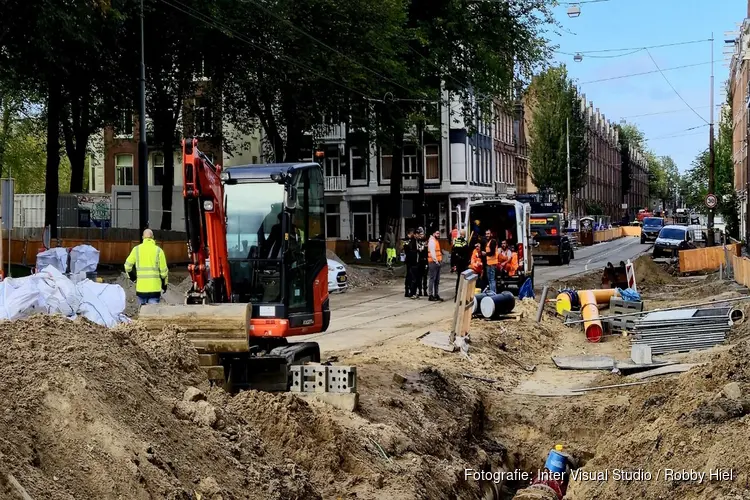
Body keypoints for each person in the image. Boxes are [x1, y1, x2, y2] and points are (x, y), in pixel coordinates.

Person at [125, 228, 169, 306]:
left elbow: (127, 266)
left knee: (141, 313)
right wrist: (164, 285)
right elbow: (163, 273)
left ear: (142, 237)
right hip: (154, 289)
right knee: (152, 314)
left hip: (141, 289)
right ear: (153, 237)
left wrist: (133, 277)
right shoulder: (159, 251)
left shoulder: (136, 250)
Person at [450, 229, 469, 301]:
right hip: (463, 264)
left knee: (458, 279)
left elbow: (453, 254)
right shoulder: (464, 242)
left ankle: (457, 296)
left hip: (458, 263)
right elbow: (467, 254)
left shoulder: (456, 242)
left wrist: (452, 265)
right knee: (464, 280)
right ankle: (462, 296)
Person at [427, 228, 444, 302]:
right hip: (433, 262)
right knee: (432, 279)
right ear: (433, 234)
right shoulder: (432, 241)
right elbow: (433, 252)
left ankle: (436, 294)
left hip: (437, 262)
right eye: (437, 233)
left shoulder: (435, 240)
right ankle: (430, 295)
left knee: (437, 280)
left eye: (439, 233)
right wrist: (436, 261)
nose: (438, 235)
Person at [403, 228, 418, 298]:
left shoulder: (413, 240)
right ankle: (407, 290)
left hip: (412, 260)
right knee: (409, 276)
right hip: (409, 260)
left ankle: (410, 290)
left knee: (411, 276)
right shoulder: (407, 240)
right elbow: (406, 248)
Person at [482, 229, 498, 294]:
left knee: (491, 280)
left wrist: (485, 253)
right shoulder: (489, 242)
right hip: (489, 263)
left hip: (492, 264)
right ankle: (493, 292)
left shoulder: (492, 241)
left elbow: (492, 252)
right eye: (486, 234)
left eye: (488, 234)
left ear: (491, 234)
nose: (487, 235)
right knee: (490, 280)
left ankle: (492, 293)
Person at [416, 227, 429, 297]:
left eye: (422, 234)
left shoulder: (426, 241)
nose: (421, 235)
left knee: (425, 277)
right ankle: (420, 290)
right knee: (419, 277)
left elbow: (426, 250)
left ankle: (425, 290)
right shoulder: (417, 241)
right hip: (419, 261)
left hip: (425, 260)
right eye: (419, 234)